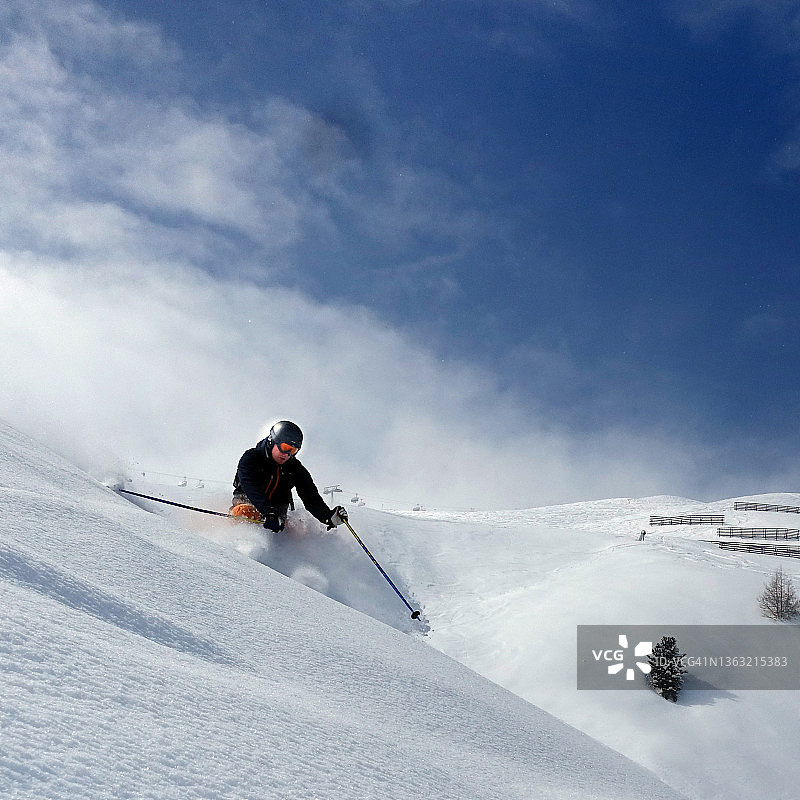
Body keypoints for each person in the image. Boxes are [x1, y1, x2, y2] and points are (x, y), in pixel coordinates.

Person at [231, 420, 348, 533]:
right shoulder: (251, 458)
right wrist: (268, 511)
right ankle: (243, 548)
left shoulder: (294, 468)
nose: (287, 454)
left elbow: (310, 496)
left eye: (293, 450)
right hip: (249, 504)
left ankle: (294, 553)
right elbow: (249, 485)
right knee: (245, 512)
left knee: (297, 531)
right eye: (285, 447)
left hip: (277, 516)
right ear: (273, 441)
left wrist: (327, 516)